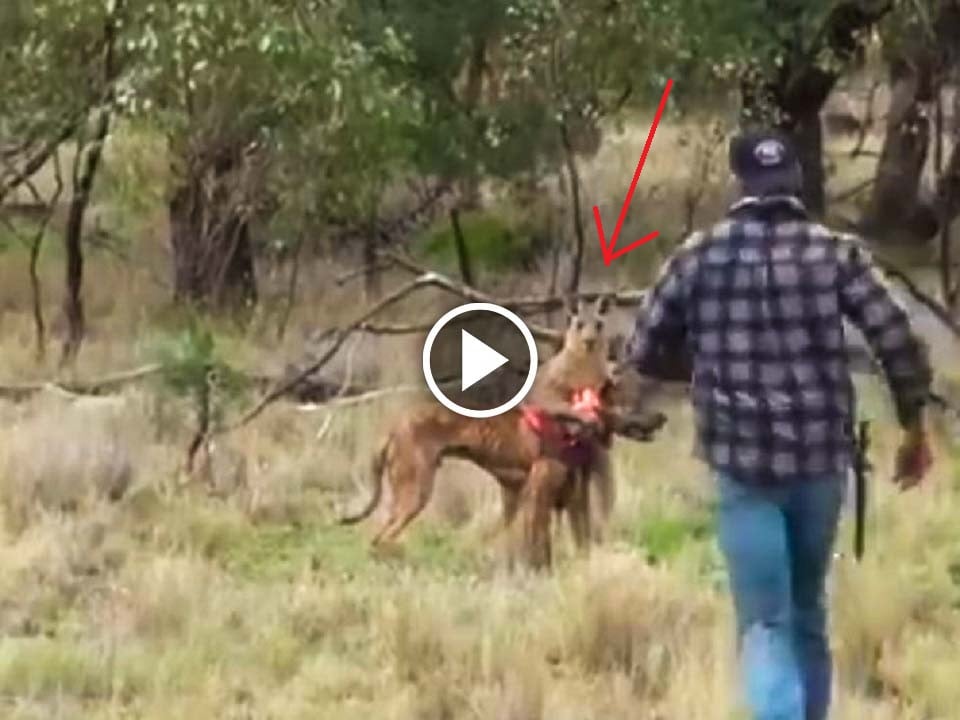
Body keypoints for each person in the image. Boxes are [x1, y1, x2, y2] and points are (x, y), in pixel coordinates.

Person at [623, 129, 934, 720]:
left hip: (742, 466)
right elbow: (896, 337)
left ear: (741, 184)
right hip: (820, 463)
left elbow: (644, 349)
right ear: (794, 182)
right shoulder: (833, 253)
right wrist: (914, 426)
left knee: (766, 622)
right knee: (808, 612)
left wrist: (702, 365)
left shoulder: (699, 255)